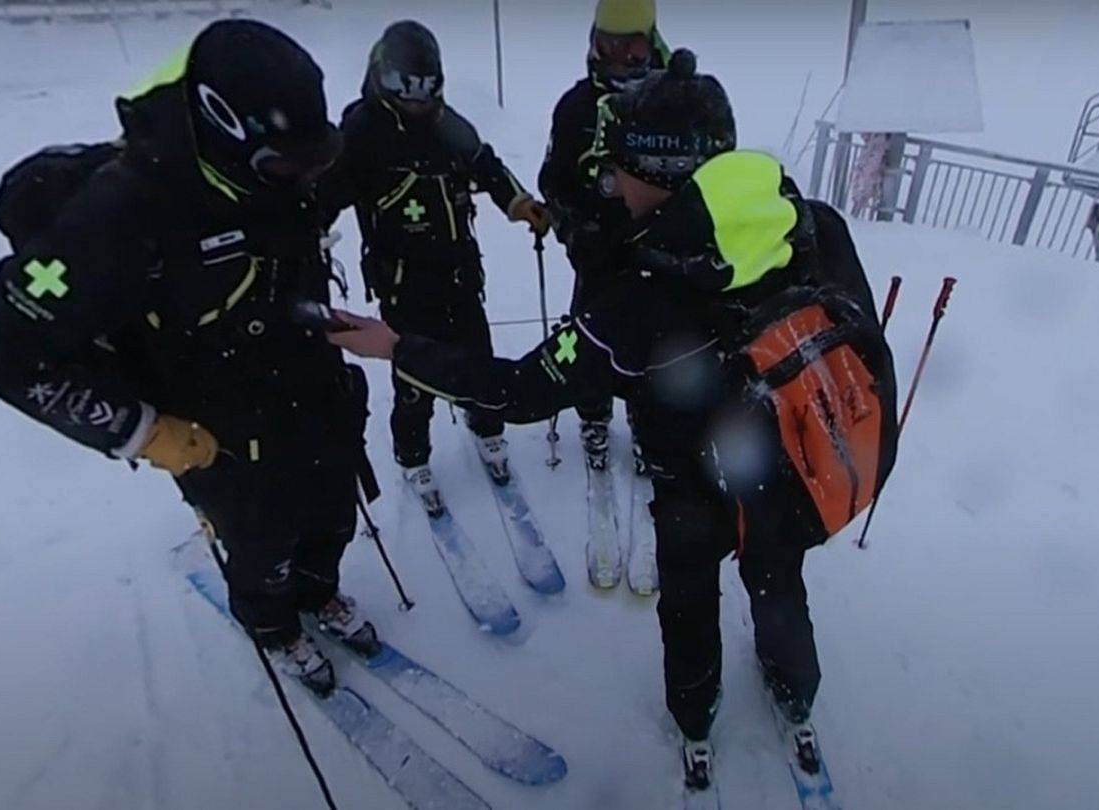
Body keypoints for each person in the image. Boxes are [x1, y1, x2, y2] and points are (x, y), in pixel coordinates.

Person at [328, 50, 899, 790]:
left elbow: (514, 392)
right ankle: (797, 694)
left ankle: (695, 721)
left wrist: (398, 346)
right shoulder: (813, 224)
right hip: (794, 474)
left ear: (661, 175)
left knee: (690, 602)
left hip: (693, 491)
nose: (609, 182)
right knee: (779, 580)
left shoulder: (636, 303)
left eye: (619, 165)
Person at [0, 20, 378, 697]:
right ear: (221, 134)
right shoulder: (121, 212)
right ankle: (273, 626)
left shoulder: (273, 172)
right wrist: (145, 433)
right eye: (284, 166)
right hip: (219, 429)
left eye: (311, 160)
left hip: (309, 385)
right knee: (262, 543)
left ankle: (319, 591)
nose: (302, 178)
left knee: (331, 512)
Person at [317, 20, 551, 515]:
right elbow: (323, 197)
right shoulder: (360, 135)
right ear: (384, 82)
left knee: (478, 359)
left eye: (428, 95)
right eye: (409, 96)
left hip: (461, 274)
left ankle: (487, 428)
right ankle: (413, 454)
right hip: (402, 283)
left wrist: (518, 202)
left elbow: (484, 163)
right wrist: (307, 235)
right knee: (413, 377)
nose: (420, 106)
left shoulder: (448, 125)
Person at [538, 0, 670, 470]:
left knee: (651, 353)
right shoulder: (576, 107)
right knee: (590, 345)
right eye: (608, 46)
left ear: (650, 45)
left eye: (631, 50)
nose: (619, 60)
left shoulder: (671, 99)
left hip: (656, 257)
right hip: (596, 257)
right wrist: (573, 226)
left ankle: (645, 424)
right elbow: (552, 180)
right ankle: (593, 417)